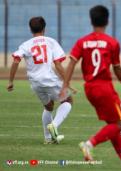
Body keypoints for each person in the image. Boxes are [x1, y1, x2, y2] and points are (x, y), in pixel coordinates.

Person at [60, 5, 121, 168]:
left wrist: (65, 85)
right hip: (104, 88)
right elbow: (117, 67)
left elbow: (72, 63)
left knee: (113, 123)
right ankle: (89, 145)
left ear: (91, 21)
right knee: (120, 124)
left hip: (89, 88)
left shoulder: (82, 42)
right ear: (107, 21)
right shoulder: (112, 43)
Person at [7, 16, 74, 144]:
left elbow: (16, 61)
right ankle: (54, 125)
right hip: (49, 79)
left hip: (35, 83)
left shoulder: (25, 45)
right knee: (68, 100)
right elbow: (58, 64)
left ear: (30, 29)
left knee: (49, 106)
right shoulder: (50, 41)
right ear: (44, 28)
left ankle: (48, 139)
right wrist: (67, 81)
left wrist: (11, 81)